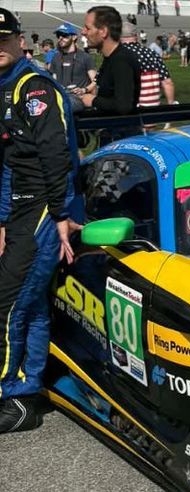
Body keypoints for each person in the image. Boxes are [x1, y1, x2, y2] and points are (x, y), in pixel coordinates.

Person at [0, 7, 81, 433]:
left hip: (44, 210)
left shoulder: (35, 88)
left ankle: (12, 393)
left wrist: (62, 214)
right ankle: (27, 393)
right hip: (20, 209)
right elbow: (11, 160)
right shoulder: (7, 85)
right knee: (27, 307)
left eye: (2, 40)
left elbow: (57, 156)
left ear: (19, 40)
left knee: (8, 304)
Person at [80, 6, 140, 115]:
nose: (83, 32)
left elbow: (124, 106)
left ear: (103, 31)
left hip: (123, 130)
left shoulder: (121, 60)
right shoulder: (110, 58)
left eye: (87, 28)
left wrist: (93, 100)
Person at [121, 21, 175, 107]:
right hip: (152, 109)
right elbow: (167, 82)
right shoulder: (152, 53)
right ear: (136, 36)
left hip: (129, 109)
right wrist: (171, 105)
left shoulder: (118, 55)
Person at [50, 23, 96, 96]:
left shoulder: (85, 57)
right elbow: (54, 80)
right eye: (58, 35)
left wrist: (84, 90)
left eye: (64, 35)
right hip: (62, 96)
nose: (60, 38)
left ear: (74, 37)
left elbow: (95, 81)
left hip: (79, 97)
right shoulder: (56, 57)